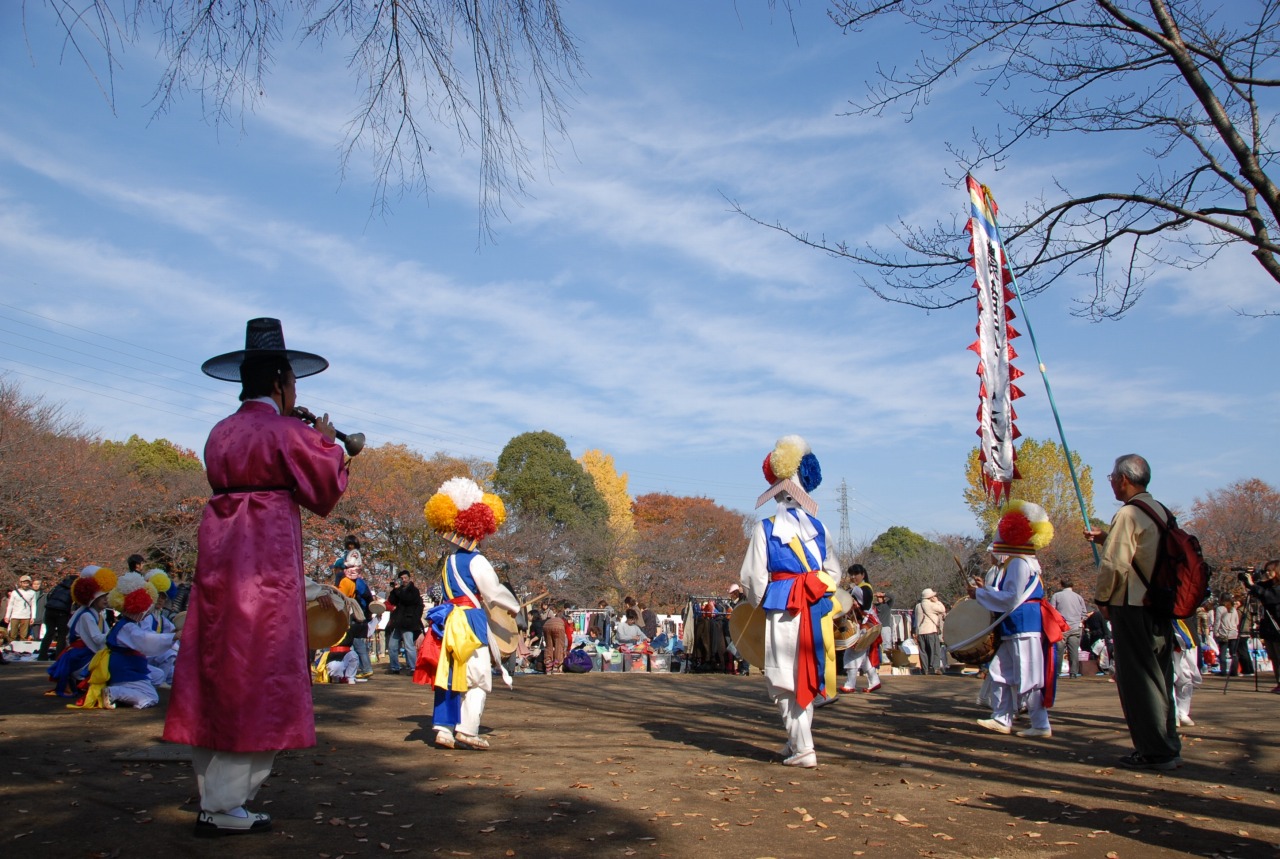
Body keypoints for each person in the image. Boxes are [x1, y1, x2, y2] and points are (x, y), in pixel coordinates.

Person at [163, 318, 349, 837]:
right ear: (279, 383)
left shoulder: (219, 431)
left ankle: (214, 793)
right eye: (292, 385)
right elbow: (325, 493)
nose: (295, 393)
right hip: (265, 559)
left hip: (221, 557)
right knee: (263, 669)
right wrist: (329, 444)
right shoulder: (288, 431)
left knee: (218, 665)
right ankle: (223, 805)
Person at [738, 435, 841, 769]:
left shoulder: (765, 529)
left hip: (784, 608)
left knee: (783, 677)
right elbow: (833, 573)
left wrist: (756, 602)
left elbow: (753, 579)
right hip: (816, 607)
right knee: (806, 672)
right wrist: (815, 587)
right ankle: (796, 740)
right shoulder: (820, 527)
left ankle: (804, 748)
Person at [1086, 453, 1182, 771]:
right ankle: (1167, 743)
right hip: (1160, 604)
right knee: (1160, 675)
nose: (1111, 483)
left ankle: (1153, 750)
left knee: (1138, 680)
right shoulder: (1160, 511)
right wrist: (1106, 538)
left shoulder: (1128, 513)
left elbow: (1115, 564)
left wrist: (1102, 599)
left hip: (1133, 605)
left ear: (1124, 479)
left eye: (1112, 477)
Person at [418, 477, 519, 750]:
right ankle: (468, 729)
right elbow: (494, 592)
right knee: (477, 678)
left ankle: (443, 729)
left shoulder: (448, 562)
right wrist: (515, 607)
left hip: (448, 620)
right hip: (470, 621)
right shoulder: (477, 560)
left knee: (449, 674)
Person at [972, 501, 1056, 739]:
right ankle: (1002, 717)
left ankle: (1040, 724)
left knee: (1027, 675)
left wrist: (979, 593)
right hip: (1015, 626)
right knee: (1000, 670)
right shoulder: (1020, 562)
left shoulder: (1019, 563)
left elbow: (1011, 598)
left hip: (1023, 626)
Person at [75, 572, 179, 710]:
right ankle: (115, 692)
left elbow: (145, 639)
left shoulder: (126, 624)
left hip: (128, 664)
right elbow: (145, 641)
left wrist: (172, 636)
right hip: (124, 667)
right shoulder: (127, 627)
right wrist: (174, 637)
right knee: (151, 697)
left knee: (158, 675)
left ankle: (127, 691)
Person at [47, 567, 114, 697]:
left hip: (89, 649)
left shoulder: (98, 615)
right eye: (102, 597)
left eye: (106, 596)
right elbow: (96, 638)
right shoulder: (86, 616)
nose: (106, 600)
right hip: (81, 654)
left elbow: (105, 635)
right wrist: (116, 633)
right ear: (93, 599)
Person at [1245, 561, 1280, 692]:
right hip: (1269, 627)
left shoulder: (1277, 588)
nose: (1267, 573)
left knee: (1279, 655)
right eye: (1265, 571)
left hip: (1277, 627)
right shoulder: (1268, 585)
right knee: (1273, 657)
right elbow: (1257, 589)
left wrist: (1253, 585)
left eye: (1269, 570)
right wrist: (1250, 579)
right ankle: (1279, 682)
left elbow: (1268, 596)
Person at [385, 570, 424, 675]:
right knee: (392, 646)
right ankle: (394, 667)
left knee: (408, 646)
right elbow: (392, 601)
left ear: (409, 578)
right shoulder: (398, 590)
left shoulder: (414, 590)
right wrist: (394, 590)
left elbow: (408, 600)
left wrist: (398, 591)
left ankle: (413, 668)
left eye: (405, 578)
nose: (403, 580)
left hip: (408, 622)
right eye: (401, 578)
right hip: (397, 622)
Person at [1049, 579, 1088, 678]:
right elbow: (1084, 613)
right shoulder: (1079, 597)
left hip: (1061, 627)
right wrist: (1080, 621)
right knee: (1074, 650)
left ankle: (1057, 672)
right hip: (1075, 627)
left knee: (1059, 650)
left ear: (1062, 585)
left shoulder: (1056, 596)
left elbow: (1051, 611)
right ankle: (1073, 672)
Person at [38, 571, 77, 661]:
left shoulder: (59, 586)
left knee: (49, 633)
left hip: (49, 610)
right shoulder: (73, 589)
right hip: (62, 612)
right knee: (62, 635)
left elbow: (49, 596)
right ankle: (59, 656)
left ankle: (42, 655)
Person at [1171, 618, 1202, 727]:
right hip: (1166, 635)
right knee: (1169, 677)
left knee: (1187, 677)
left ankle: (1182, 712)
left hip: (1187, 637)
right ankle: (1173, 714)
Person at [914, 588, 947, 675]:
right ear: (930, 597)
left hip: (920, 632)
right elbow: (943, 609)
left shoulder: (918, 606)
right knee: (935, 650)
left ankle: (925, 669)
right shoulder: (931, 605)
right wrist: (937, 601)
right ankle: (935, 668)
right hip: (931, 630)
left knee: (923, 652)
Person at [1212, 596, 1241, 676]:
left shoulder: (1220, 609)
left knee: (1223, 653)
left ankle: (1223, 671)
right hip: (1234, 633)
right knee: (1234, 653)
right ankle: (1234, 671)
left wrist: (1215, 632)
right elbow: (1237, 622)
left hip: (1223, 633)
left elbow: (1217, 621)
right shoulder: (1234, 609)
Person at [5, 574, 38, 642]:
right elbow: (10, 605)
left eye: (27, 582)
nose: (25, 584)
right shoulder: (15, 592)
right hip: (15, 616)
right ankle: (11, 649)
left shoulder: (32, 593)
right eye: (24, 582)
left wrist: (33, 617)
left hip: (26, 616)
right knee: (12, 635)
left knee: (24, 636)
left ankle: (21, 650)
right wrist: (7, 616)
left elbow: (33, 605)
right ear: (20, 583)